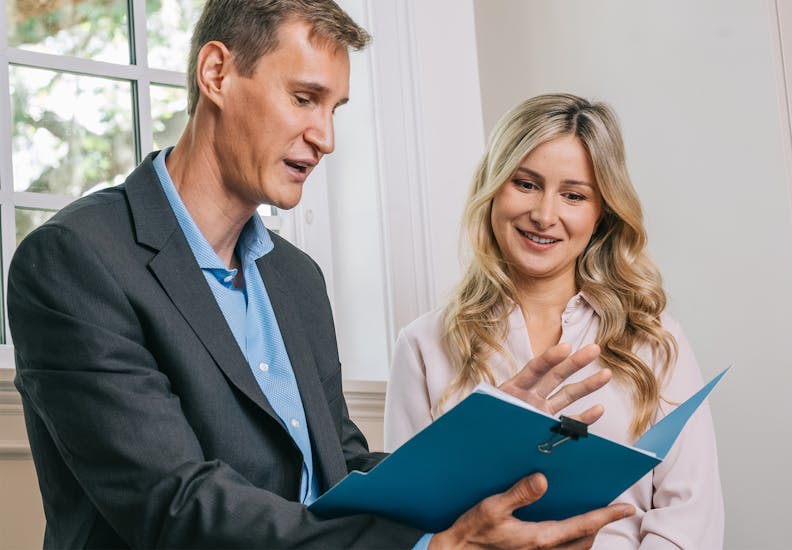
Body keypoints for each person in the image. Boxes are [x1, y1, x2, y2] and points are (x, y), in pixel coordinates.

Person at [9, 2, 634, 549]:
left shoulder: (296, 278)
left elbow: (341, 468)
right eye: (304, 98)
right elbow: (175, 506)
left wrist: (481, 455)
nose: (326, 137)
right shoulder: (74, 259)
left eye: (335, 108)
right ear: (217, 73)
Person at [385, 93, 724, 549]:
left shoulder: (655, 341)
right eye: (525, 184)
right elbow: (404, 526)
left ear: (601, 211)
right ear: (493, 188)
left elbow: (691, 520)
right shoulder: (424, 345)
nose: (545, 215)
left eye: (573, 195)